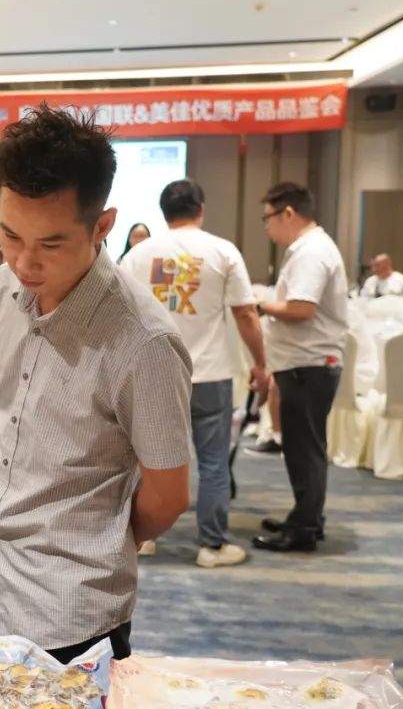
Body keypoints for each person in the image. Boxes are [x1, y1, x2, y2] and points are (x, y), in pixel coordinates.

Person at [0, 105, 192, 661]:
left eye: (50, 244)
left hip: (73, 611)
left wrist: (94, 543)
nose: (24, 261)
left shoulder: (143, 342)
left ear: (102, 226)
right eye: (9, 235)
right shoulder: (2, 290)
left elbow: (168, 496)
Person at [120, 179, 269, 568]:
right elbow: (246, 313)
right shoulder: (222, 251)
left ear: (163, 212)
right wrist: (260, 363)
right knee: (213, 462)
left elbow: (119, 315)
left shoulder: (138, 255)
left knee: (144, 459)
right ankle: (212, 546)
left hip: (153, 373)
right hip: (209, 374)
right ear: (200, 209)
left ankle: (143, 538)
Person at [252, 182, 348, 553]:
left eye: (268, 218)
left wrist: (260, 304)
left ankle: (304, 527)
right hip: (305, 364)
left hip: (309, 365)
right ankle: (306, 516)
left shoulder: (311, 252)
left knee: (305, 449)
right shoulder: (310, 249)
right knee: (303, 446)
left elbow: (301, 308)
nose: (266, 227)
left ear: (288, 213)